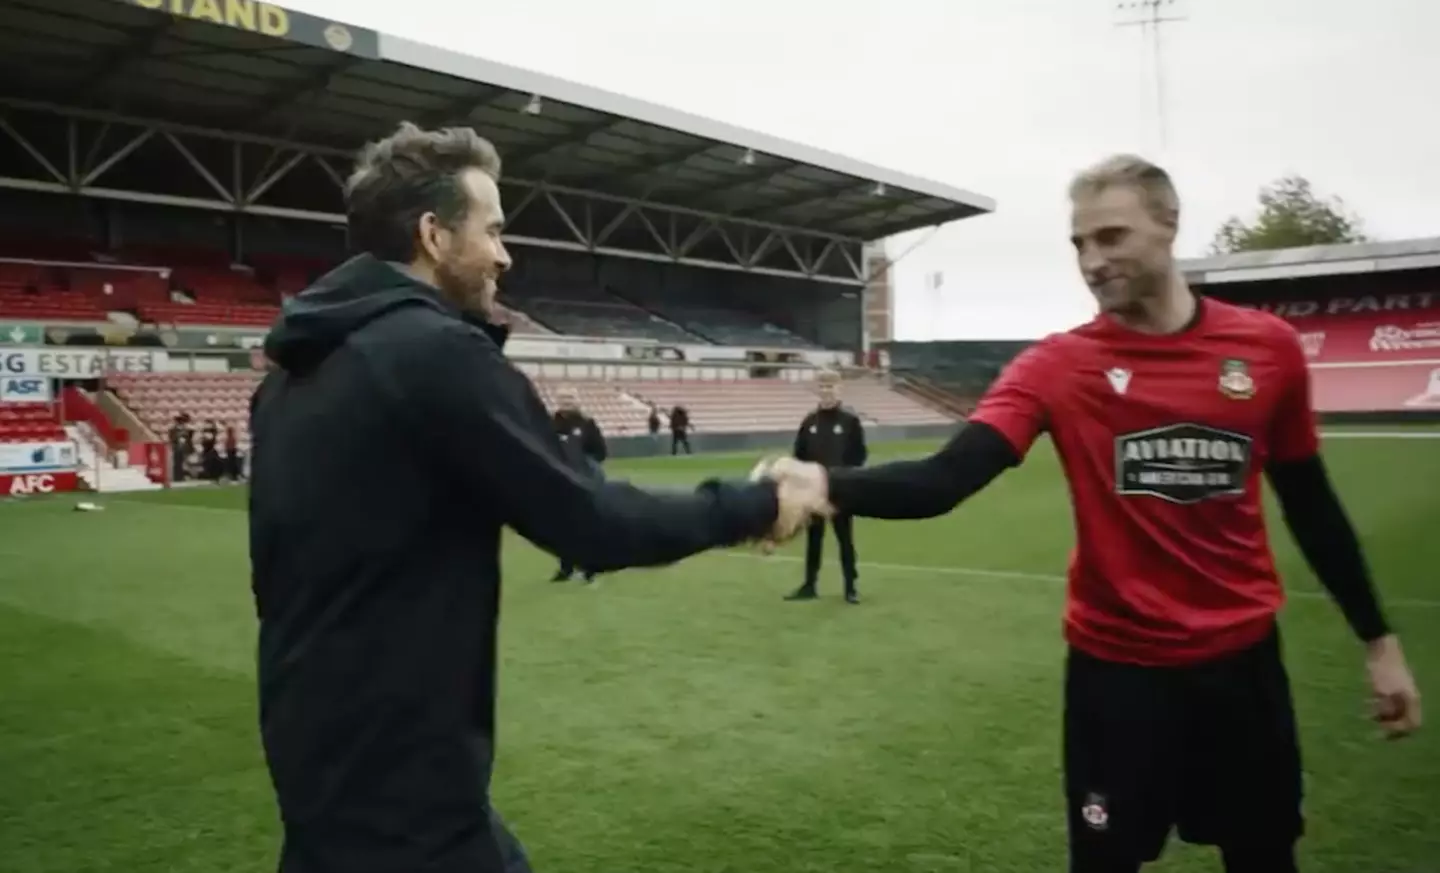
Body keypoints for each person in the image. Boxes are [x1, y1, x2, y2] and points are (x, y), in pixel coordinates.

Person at [753, 155, 1421, 873]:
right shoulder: (1057, 367)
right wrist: (826, 482)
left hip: (1242, 668)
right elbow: (945, 478)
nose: (1092, 261)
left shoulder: (1267, 351)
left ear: (1169, 225)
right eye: (1079, 244)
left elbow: (1311, 502)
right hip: (1117, 676)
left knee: (1263, 858)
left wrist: (1378, 642)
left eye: (1111, 237)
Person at [247, 121, 827, 873]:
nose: (504, 253)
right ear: (433, 233)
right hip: (402, 788)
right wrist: (752, 503)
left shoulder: (288, 378)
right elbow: (589, 520)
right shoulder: (431, 353)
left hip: (316, 754)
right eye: (491, 230)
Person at [785, 370, 867, 603]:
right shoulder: (809, 422)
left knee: (844, 539)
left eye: (830, 387)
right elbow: (799, 456)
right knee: (814, 538)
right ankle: (810, 585)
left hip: (841, 491)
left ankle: (850, 587)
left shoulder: (850, 422)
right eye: (822, 387)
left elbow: (859, 456)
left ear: (840, 389)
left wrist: (845, 478)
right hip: (813, 492)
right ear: (817, 390)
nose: (826, 391)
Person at [549, 385, 607, 583]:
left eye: (570, 398)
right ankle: (565, 568)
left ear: (577, 400)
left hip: (584, 481)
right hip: (559, 481)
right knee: (562, 527)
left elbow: (601, 452)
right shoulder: (549, 423)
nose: (567, 402)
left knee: (587, 524)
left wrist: (586, 465)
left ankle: (590, 567)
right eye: (563, 398)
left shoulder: (587, 423)